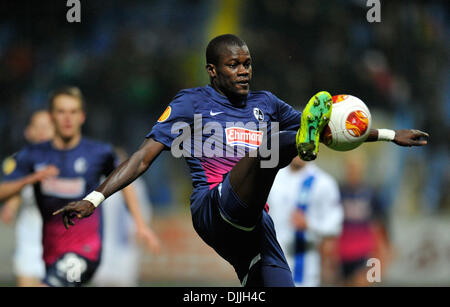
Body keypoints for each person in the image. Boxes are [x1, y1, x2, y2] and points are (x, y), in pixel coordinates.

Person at [54, 34, 428, 287]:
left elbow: (327, 128)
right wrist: (93, 199)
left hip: (252, 226)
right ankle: (295, 147)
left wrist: (390, 135)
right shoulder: (191, 103)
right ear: (212, 71)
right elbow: (141, 158)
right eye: (234, 65)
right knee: (268, 150)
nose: (244, 70)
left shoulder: (265, 104)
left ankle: (296, 146)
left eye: (247, 63)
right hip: (213, 208)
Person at [0, 86, 159, 287]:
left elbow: (126, 180)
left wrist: (140, 224)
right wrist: (29, 180)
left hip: (84, 250)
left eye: (73, 112)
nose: (68, 118)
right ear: (51, 117)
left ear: (82, 117)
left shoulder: (99, 153)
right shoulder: (32, 156)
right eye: (61, 112)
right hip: (47, 249)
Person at [267, 156, 343, 286]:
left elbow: (334, 225)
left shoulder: (323, 182)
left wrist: (309, 224)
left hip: (304, 269)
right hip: (271, 263)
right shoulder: (272, 177)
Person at [1, 110, 54, 286]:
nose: (41, 131)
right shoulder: (20, 160)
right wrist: (12, 204)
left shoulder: (66, 158)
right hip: (29, 243)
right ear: (28, 131)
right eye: (36, 127)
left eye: (46, 127)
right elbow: (12, 187)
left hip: (58, 243)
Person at [337, 153, 393, 286]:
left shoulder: (372, 194)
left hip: (365, 251)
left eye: (356, 169)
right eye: (350, 168)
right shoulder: (339, 192)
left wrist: (386, 250)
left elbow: (382, 222)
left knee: (363, 282)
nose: (353, 172)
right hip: (343, 252)